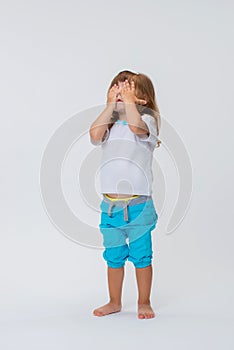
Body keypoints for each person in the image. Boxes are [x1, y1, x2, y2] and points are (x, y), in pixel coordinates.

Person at [89, 70, 161, 319]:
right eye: (116, 89)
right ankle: (114, 301)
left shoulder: (147, 122)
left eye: (128, 89)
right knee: (113, 256)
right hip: (110, 208)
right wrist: (110, 107)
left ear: (143, 100)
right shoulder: (109, 126)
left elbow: (136, 126)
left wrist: (128, 103)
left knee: (142, 256)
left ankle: (144, 301)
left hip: (139, 207)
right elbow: (94, 136)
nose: (120, 93)